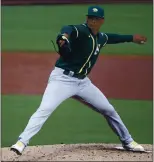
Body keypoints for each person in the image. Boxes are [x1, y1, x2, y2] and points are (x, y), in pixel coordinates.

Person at [11, 6, 147, 155]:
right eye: (90, 17)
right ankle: (21, 142)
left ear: (101, 21)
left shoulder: (100, 38)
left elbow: (114, 38)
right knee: (45, 109)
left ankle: (127, 141)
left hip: (83, 83)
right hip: (62, 80)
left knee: (108, 109)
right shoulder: (80, 31)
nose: (92, 21)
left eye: (95, 18)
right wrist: (63, 37)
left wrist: (132, 38)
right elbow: (68, 28)